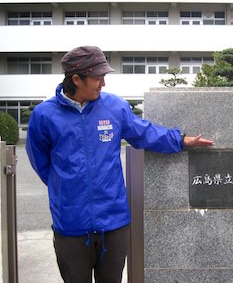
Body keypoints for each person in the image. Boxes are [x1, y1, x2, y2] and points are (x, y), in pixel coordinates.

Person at [26, 45, 213, 283]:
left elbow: (143, 133)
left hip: (113, 224)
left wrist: (181, 140)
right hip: (70, 225)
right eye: (97, 78)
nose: (103, 83)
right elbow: (41, 163)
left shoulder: (114, 107)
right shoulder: (44, 116)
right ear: (76, 79)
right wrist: (65, 188)